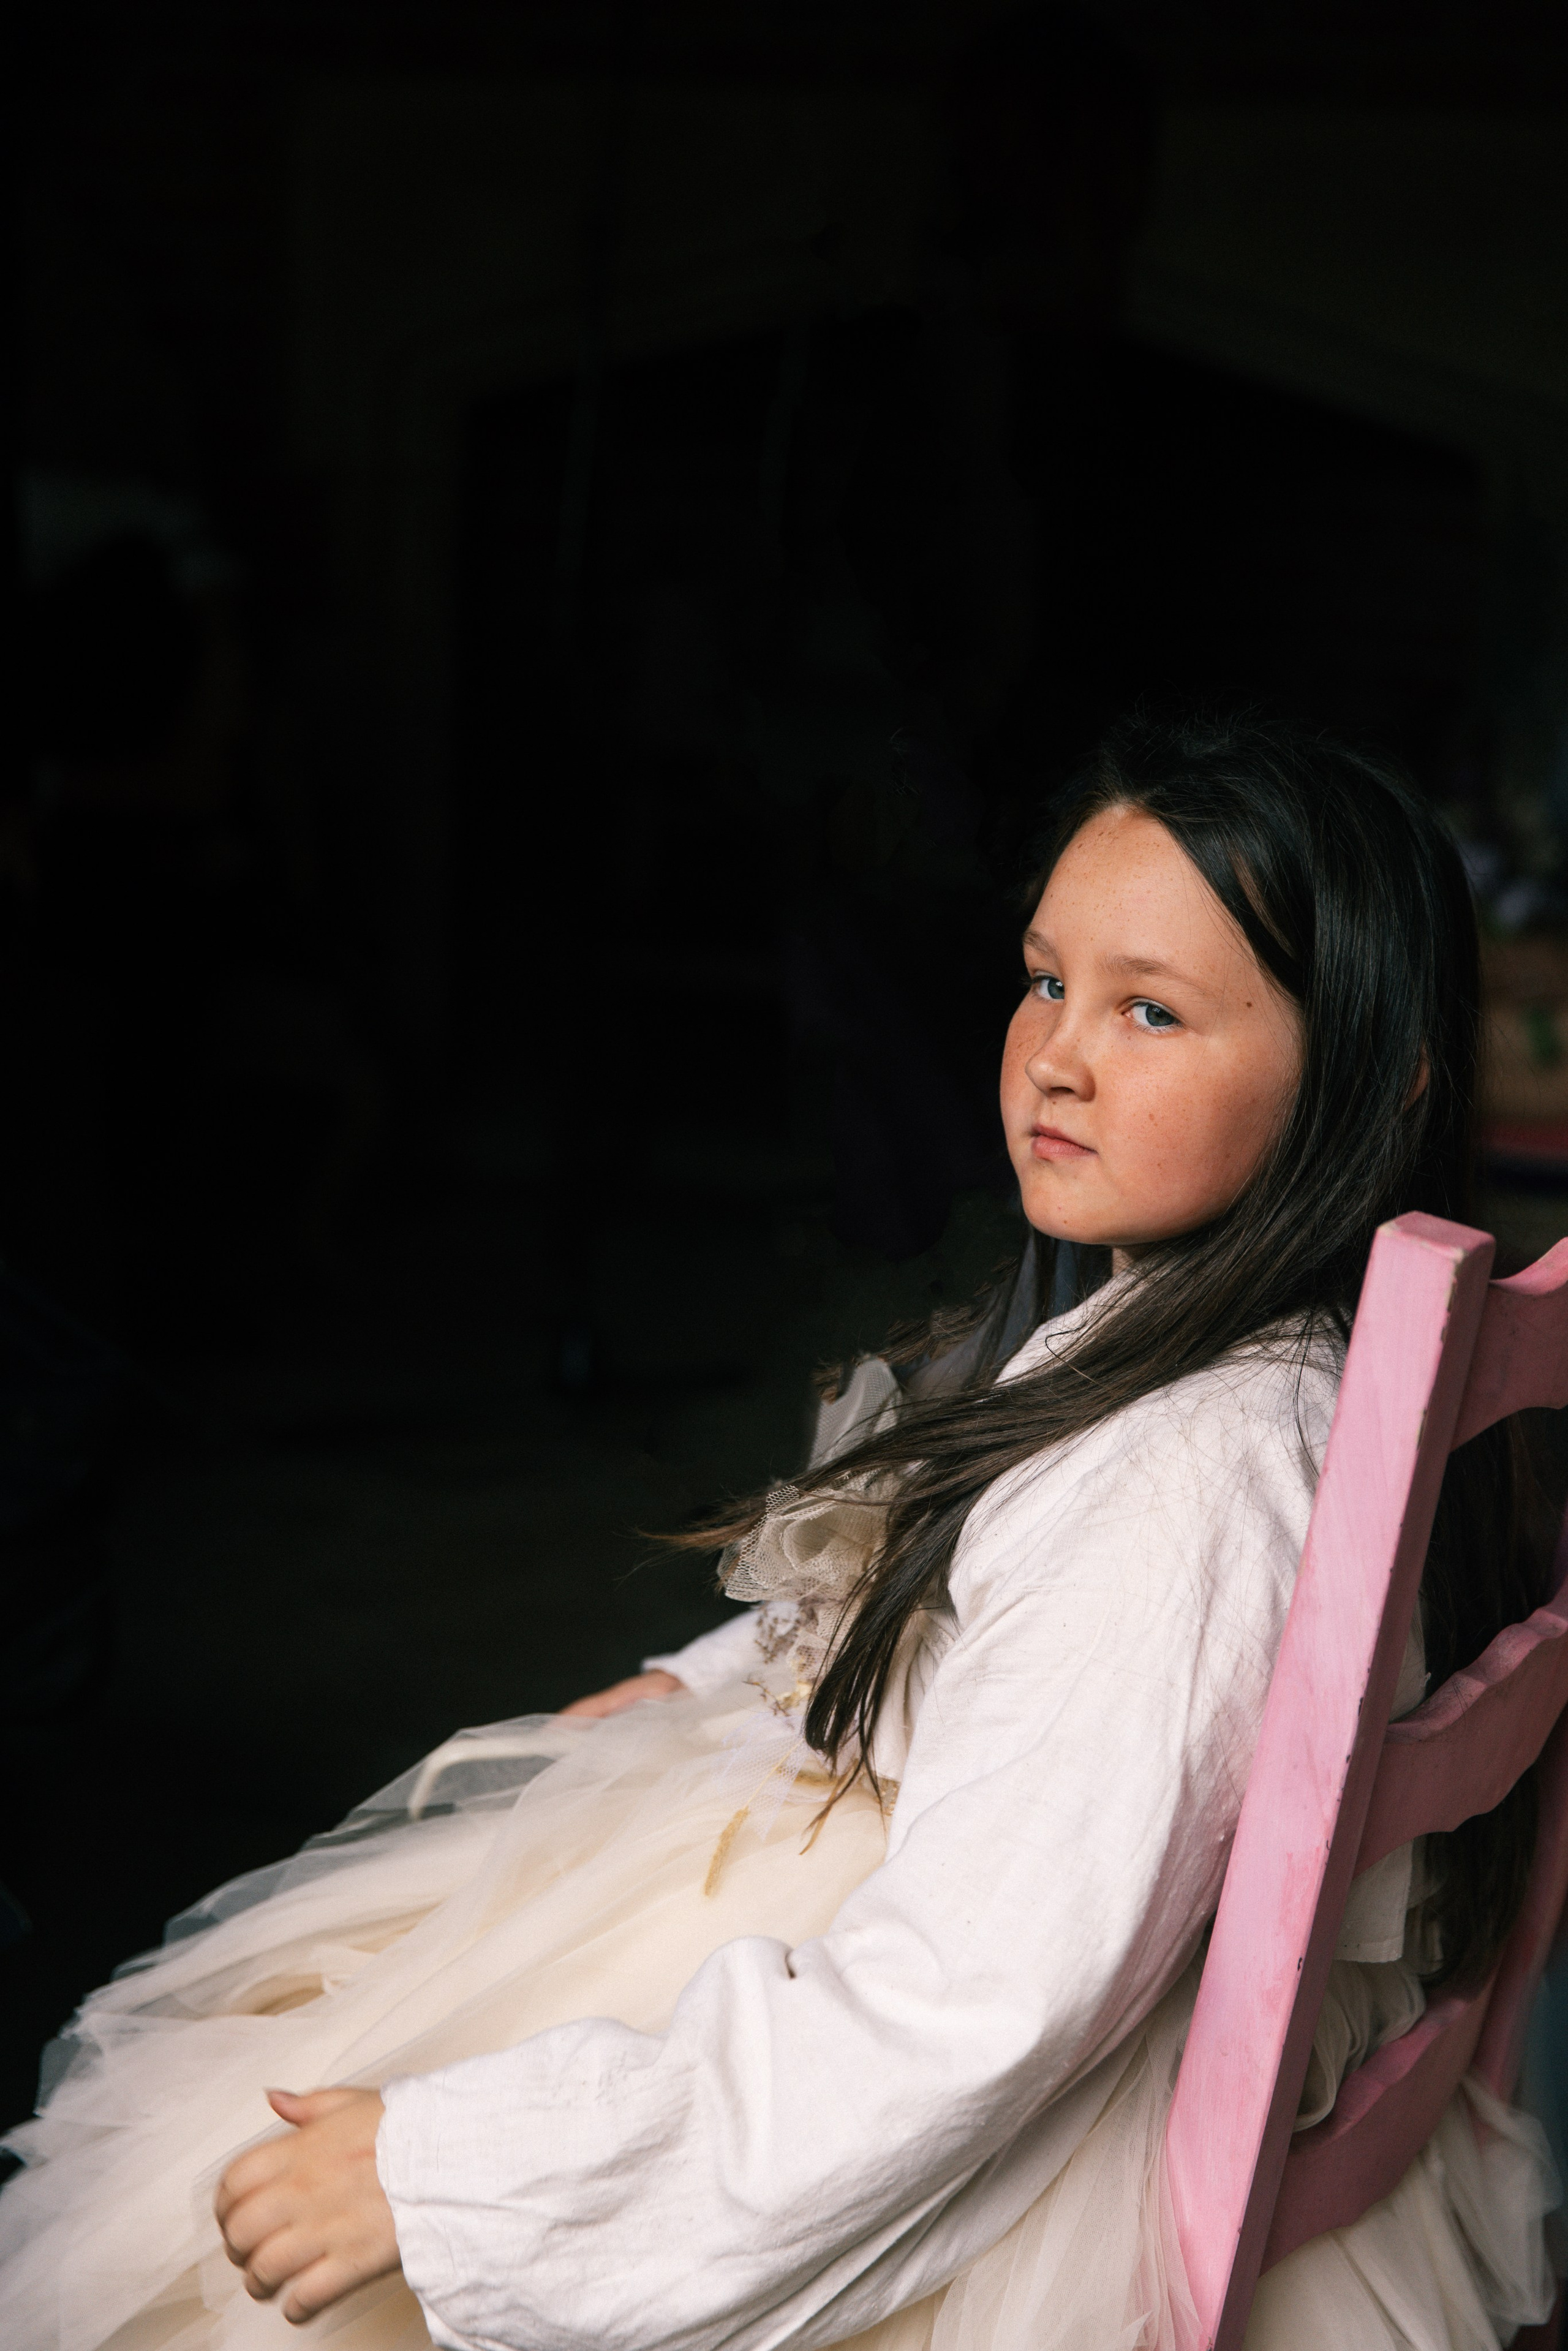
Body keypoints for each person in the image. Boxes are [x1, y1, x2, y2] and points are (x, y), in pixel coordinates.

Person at [1, 714, 1558, 2351]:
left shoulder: (1185, 1497)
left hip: (936, 2069)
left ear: (1375, 1085)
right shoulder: (1220, 1367)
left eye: (1152, 1010)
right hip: (971, 1920)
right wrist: (721, 1677)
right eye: (1046, 982)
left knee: (222, 2207)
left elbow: (963, 2011)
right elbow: (998, 1585)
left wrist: (461, 2182)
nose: (1059, 1055)